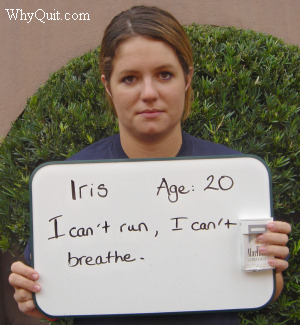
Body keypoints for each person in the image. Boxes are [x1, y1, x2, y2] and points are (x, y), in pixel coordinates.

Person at [9, 5, 291, 325]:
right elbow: (47, 296)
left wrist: (270, 269)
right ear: (108, 86)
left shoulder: (236, 177)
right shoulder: (67, 184)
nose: (149, 93)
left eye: (164, 74)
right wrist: (33, 295)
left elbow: (263, 285)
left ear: (187, 78)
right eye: (129, 78)